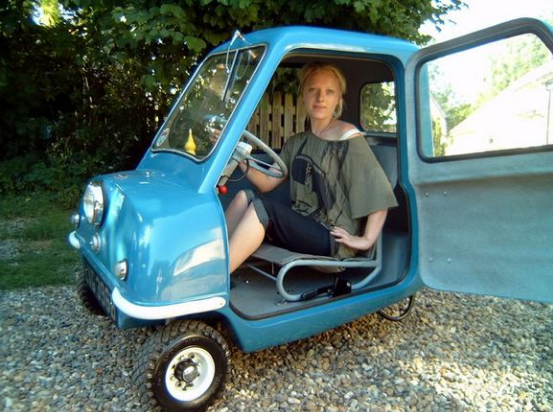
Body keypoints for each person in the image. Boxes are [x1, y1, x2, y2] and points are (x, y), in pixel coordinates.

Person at [225, 62, 398, 274]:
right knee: (244, 197)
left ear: (338, 99)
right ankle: (207, 267)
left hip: (331, 237)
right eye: (313, 90)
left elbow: (378, 191)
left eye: (329, 92)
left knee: (263, 209)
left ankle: (214, 281)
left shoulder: (347, 137)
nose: (320, 98)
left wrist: (366, 239)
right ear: (303, 96)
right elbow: (267, 183)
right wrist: (238, 157)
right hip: (303, 226)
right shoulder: (297, 142)